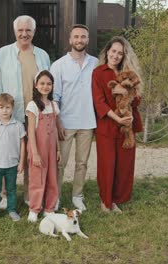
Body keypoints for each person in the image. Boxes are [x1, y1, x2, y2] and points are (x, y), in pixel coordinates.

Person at [0, 15, 51, 207]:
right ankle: (3, 195)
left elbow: (48, 86)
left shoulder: (42, 55)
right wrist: (0, 113)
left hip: (35, 114)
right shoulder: (2, 54)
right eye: (21, 30)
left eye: (28, 30)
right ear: (14, 31)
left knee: (33, 155)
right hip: (11, 115)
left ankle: (29, 194)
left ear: (34, 32)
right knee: (7, 154)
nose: (24, 34)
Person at [91, 36, 143, 213]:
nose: (116, 56)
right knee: (107, 165)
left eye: (120, 53)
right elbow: (99, 102)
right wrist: (117, 118)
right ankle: (106, 201)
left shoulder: (129, 74)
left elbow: (137, 102)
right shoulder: (98, 73)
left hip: (127, 127)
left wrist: (127, 92)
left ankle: (117, 199)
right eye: (113, 51)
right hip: (107, 126)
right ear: (107, 52)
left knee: (124, 165)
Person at [50, 24, 98, 211]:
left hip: (88, 122)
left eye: (83, 37)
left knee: (82, 163)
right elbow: (54, 97)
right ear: (70, 40)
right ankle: (56, 196)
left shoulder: (95, 63)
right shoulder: (59, 65)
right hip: (66, 122)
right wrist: (58, 120)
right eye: (76, 37)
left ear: (87, 40)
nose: (79, 40)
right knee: (60, 163)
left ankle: (78, 195)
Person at [0, 93, 26, 222]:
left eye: (8, 107)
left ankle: (12, 210)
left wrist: (21, 162)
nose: (4, 110)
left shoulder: (18, 125)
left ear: (12, 108)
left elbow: (23, 144)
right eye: (1, 107)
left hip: (12, 164)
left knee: (11, 189)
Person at [26, 70, 60, 222]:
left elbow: (55, 130)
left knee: (52, 176)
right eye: (42, 83)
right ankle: (34, 208)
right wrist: (35, 153)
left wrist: (58, 149)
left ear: (52, 86)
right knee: (37, 177)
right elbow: (31, 132)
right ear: (36, 85)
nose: (45, 86)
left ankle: (49, 207)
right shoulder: (33, 105)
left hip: (52, 148)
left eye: (48, 84)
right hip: (38, 147)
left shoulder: (53, 105)